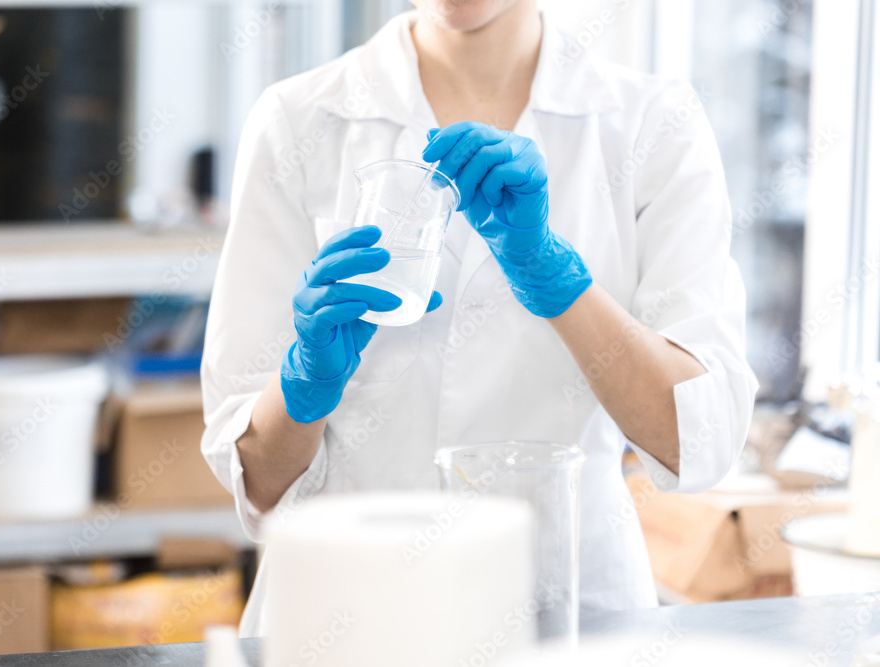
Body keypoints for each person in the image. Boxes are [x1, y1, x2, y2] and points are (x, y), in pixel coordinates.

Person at [201, 0, 757, 635]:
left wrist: (557, 281)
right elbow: (259, 487)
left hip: (564, 614)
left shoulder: (652, 125)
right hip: (346, 616)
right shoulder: (298, 118)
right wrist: (304, 386)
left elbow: (698, 442)